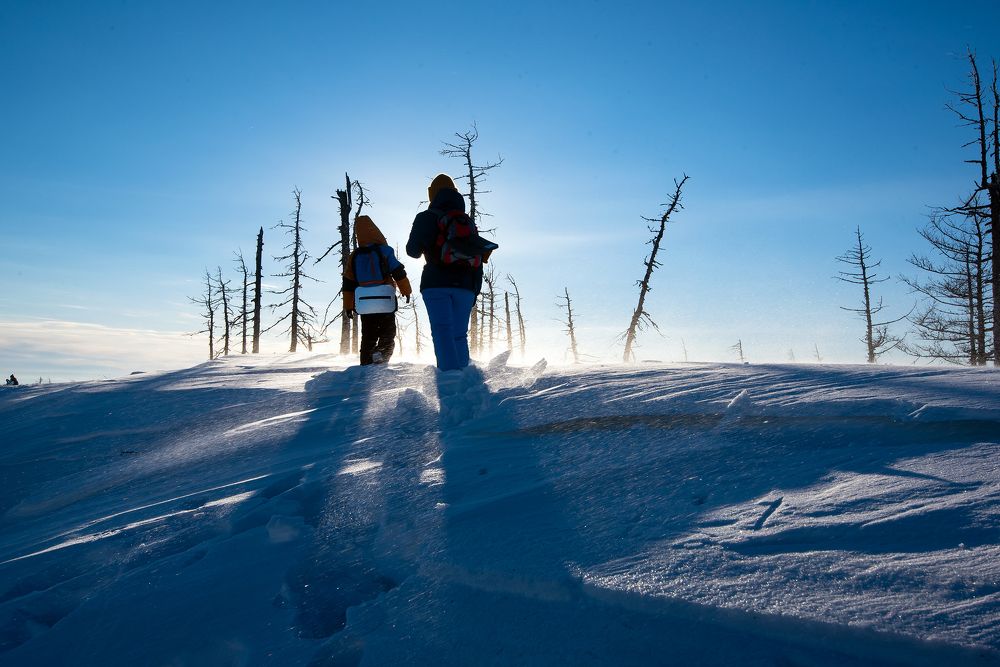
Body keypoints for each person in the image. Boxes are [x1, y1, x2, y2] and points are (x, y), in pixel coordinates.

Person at [406, 173, 488, 371]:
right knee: (459, 334)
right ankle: (465, 378)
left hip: (436, 283)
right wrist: (474, 290)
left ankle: (451, 381)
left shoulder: (426, 217)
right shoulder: (466, 221)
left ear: (432, 195)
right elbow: (477, 259)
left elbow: (413, 251)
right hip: (466, 286)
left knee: (442, 331)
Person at [343, 215, 412, 365]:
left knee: (368, 335)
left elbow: (348, 284)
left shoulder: (354, 256)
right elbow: (398, 271)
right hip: (384, 300)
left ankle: (366, 364)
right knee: (388, 332)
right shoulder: (384, 251)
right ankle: (382, 356)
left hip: (365, 303)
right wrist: (406, 290)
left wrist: (348, 306)